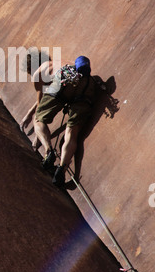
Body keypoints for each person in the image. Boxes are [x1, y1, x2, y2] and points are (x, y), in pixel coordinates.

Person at [34, 55, 100, 187]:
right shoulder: (90, 82)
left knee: (38, 119)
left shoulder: (58, 69)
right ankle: (62, 168)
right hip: (83, 93)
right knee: (72, 132)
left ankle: (49, 151)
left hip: (62, 87)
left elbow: (40, 90)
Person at [20, 48, 58, 151]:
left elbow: (40, 106)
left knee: (37, 118)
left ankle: (48, 149)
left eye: (30, 73)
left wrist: (38, 136)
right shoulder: (52, 67)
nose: (31, 76)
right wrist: (28, 113)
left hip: (62, 94)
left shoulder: (39, 74)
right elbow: (44, 96)